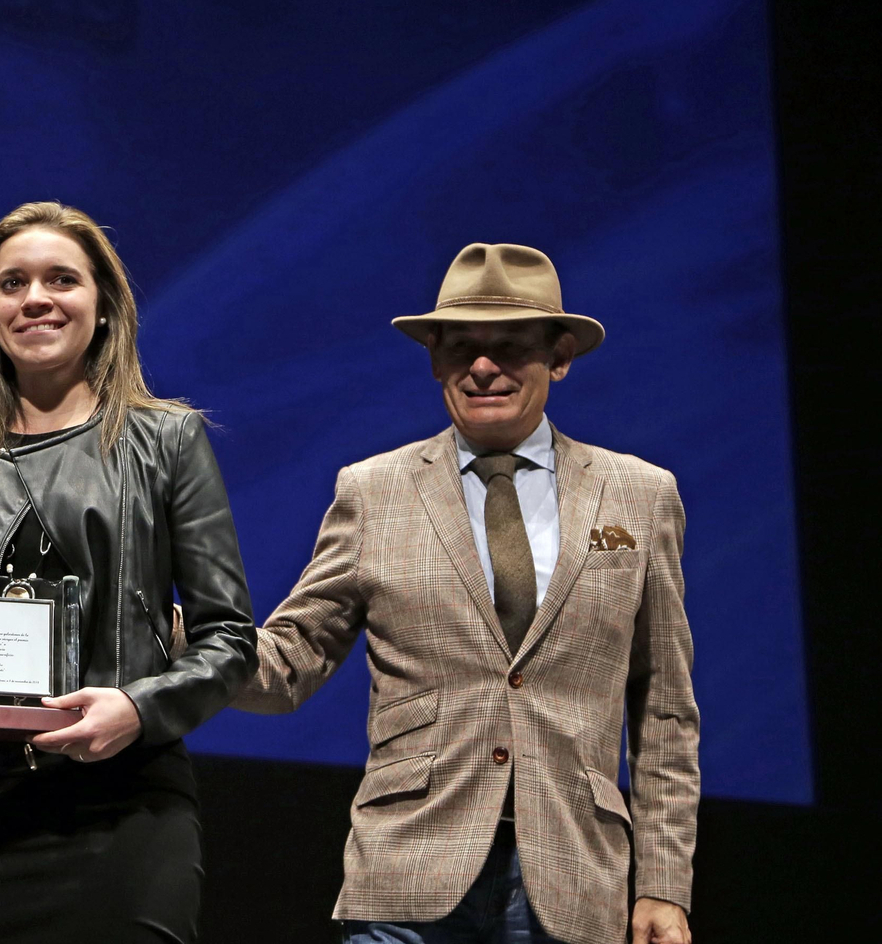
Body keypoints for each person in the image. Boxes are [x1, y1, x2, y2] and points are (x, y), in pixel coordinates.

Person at [234, 243, 699, 944]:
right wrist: (175, 630)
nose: (483, 366)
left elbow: (664, 707)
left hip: (573, 880)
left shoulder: (639, 494)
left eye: (510, 345)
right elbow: (286, 666)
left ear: (560, 354)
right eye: (461, 347)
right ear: (434, 359)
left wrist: (664, 884)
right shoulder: (373, 491)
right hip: (408, 874)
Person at [0, 201, 257, 943]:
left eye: (61, 280)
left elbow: (228, 640)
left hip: (128, 814)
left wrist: (139, 709)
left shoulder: (167, 441)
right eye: (12, 284)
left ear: (104, 307)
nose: (36, 299)